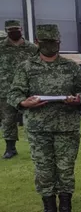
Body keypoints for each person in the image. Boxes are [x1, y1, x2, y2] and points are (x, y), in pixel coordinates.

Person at [8, 24, 81, 212]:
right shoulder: (26, 67)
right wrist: (24, 102)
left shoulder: (71, 67)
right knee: (44, 170)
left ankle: (65, 209)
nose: (51, 46)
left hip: (67, 127)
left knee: (65, 169)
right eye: (46, 43)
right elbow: (14, 94)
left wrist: (77, 100)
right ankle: (49, 211)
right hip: (38, 128)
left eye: (54, 43)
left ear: (59, 43)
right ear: (38, 43)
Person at [0, 19, 39, 159]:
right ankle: (10, 148)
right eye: (11, 30)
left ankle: (37, 146)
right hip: (6, 89)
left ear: (21, 29)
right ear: (7, 31)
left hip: (27, 89)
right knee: (8, 120)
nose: (14, 32)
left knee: (33, 118)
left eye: (16, 29)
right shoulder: (1, 47)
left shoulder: (31, 48)